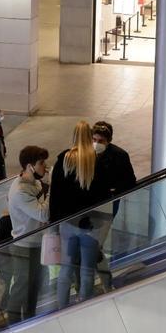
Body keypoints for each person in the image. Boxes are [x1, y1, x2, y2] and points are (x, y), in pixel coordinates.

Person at [49, 121, 113, 309]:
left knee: (66, 269)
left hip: (68, 224)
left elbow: (56, 194)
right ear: (88, 137)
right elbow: (103, 195)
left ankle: (61, 307)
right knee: (86, 271)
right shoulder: (95, 161)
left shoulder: (64, 159)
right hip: (91, 225)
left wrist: (54, 221)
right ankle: (83, 307)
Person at [90, 120, 137, 291]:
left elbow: (131, 182)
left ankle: (103, 282)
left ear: (108, 141)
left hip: (108, 206)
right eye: (94, 139)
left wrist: (114, 189)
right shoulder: (86, 154)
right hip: (87, 206)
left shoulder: (119, 156)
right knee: (90, 245)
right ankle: (92, 280)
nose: (96, 144)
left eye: (100, 141)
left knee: (95, 245)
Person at [6, 145, 50, 323]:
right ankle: (13, 326)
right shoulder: (20, 191)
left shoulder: (35, 183)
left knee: (35, 285)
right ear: (30, 166)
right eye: (41, 163)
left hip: (38, 243)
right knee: (21, 288)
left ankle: (30, 320)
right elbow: (43, 214)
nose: (45, 167)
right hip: (23, 246)